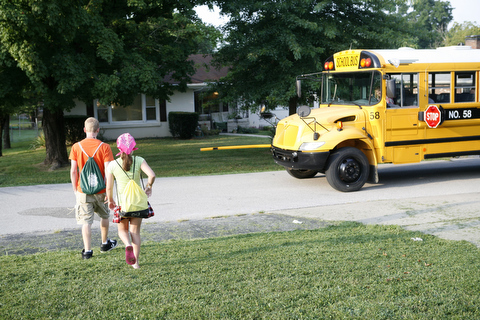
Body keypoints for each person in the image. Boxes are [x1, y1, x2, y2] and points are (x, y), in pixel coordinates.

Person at [69, 117, 117, 259]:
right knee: (104, 216)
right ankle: (104, 243)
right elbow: (109, 171)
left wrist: (75, 189)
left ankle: (88, 251)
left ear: (84, 130)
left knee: (86, 221)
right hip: (101, 190)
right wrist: (109, 191)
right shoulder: (104, 147)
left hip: (82, 190)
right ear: (98, 130)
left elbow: (73, 171)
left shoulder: (76, 147)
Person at [106, 133, 156, 269]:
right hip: (138, 204)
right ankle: (136, 263)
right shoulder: (139, 160)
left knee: (122, 230)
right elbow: (152, 175)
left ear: (118, 148)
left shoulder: (112, 165)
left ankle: (127, 244)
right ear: (134, 147)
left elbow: (109, 187)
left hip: (122, 205)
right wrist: (149, 187)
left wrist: (110, 200)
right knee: (136, 232)